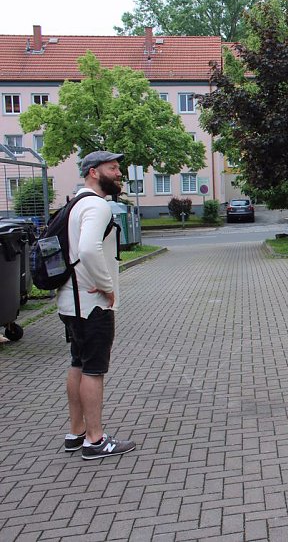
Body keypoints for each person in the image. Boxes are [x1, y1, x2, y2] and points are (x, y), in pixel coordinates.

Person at [59, 151, 136, 460]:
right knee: (93, 370)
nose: (119, 173)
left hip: (70, 301)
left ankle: (76, 432)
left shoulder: (73, 204)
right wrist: (106, 286)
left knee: (78, 363)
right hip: (92, 304)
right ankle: (95, 439)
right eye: (112, 168)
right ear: (93, 172)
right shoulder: (96, 205)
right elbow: (89, 248)